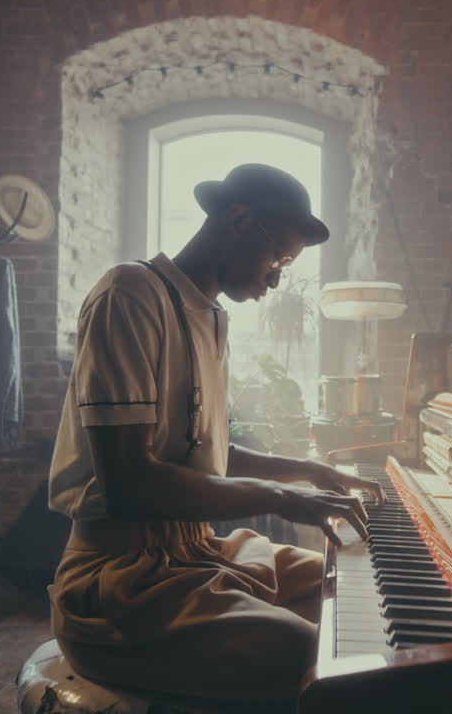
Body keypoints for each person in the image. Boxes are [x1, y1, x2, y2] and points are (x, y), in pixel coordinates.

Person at [48, 163, 385, 706]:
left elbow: (205, 449)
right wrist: (283, 496)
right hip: (123, 580)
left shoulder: (211, 317)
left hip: (200, 551)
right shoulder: (130, 293)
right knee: (313, 659)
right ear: (238, 220)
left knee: (359, 587)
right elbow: (132, 481)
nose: (277, 278)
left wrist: (307, 470)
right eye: (279, 258)